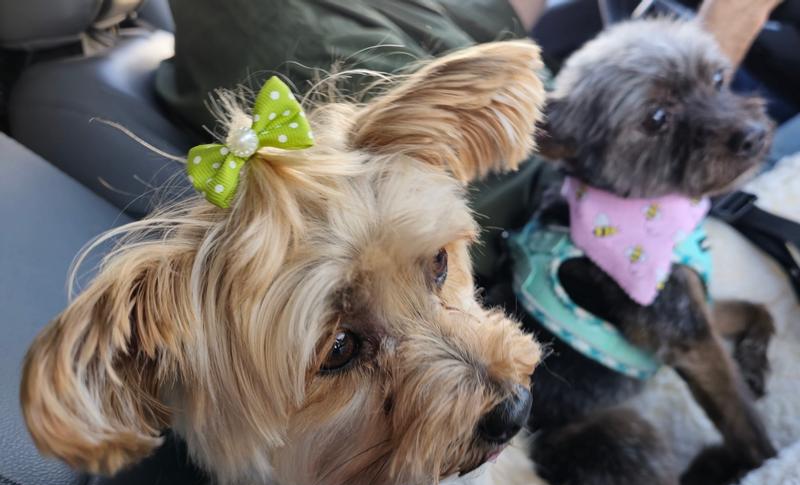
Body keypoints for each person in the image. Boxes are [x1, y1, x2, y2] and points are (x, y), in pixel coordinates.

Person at [155, 0, 784, 279]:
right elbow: (532, 185)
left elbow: (499, 23)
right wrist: (733, 20)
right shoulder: (312, 45)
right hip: (588, 232)